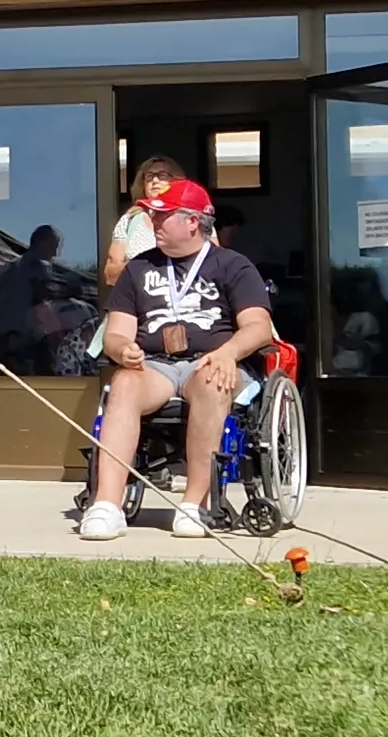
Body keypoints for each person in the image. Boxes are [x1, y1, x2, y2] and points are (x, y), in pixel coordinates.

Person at [73, 179, 276, 543]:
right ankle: (106, 505)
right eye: (153, 215)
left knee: (215, 381)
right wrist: (122, 350)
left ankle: (193, 504)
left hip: (210, 362)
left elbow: (259, 328)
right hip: (155, 365)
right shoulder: (138, 269)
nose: (153, 223)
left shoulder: (233, 266)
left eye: (162, 216)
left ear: (192, 222)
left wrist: (227, 352)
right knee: (123, 384)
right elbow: (117, 333)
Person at [0, 224, 95, 376]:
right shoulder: (37, 269)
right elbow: (43, 306)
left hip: (4, 341)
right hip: (27, 343)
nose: (56, 253)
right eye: (54, 247)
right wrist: (58, 341)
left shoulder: (9, 268)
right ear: (41, 243)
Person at [98, 156, 190, 289]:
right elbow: (111, 275)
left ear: (176, 180)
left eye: (162, 175)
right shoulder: (129, 220)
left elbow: (213, 266)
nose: (155, 180)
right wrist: (148, 266)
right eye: (149, 176)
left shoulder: (193, 216)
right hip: (139, 302)